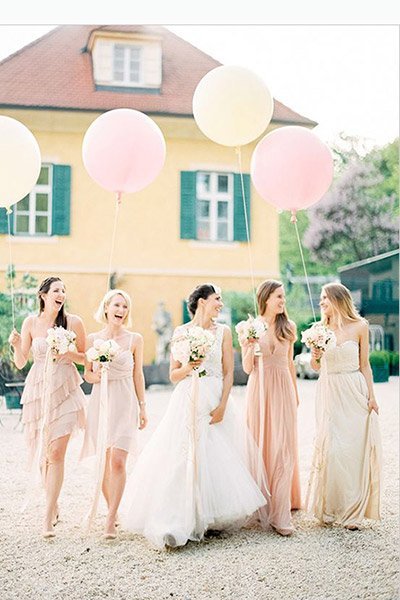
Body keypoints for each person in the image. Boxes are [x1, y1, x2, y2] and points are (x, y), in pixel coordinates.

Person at [120, 283, 267, 549]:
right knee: (181, 453)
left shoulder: (222, 332)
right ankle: (178, 516)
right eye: (217, 299)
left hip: (214, 397)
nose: (220, 304)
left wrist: (223, 404)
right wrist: (189, 366)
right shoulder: (181, 332)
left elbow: (228, 371)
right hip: (187, 397)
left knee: (214, 455)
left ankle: (207, 514)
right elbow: (173, 375)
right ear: (201, 302)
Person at [8, 276, 86, 538]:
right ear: (43, 295)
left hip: (65, 388)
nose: (61, 294)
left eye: (64, 290)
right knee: (44, 455)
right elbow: (20, 362)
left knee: (56, 453)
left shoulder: (74, 322)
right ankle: (54, 503)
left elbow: (85, 357)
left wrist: (67, 353)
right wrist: (16, 344)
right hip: (39, 389)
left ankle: (47, 518)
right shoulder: (31, 322)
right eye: (56, 290)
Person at [306, 283, 382, 529]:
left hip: (354, 389)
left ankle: (353, 512)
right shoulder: (319, 329)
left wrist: (371, 396)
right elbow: (315, 367)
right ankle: (330, 507)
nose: (321, 303)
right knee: (333, 449)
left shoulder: (361, 326)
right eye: (320, 299)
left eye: (325, 298)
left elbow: (365, 365)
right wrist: (316, 354)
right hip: (330, 391)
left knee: (353, 451)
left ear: (338, 299)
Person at [81, 289, 147, 539]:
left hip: (126, 403)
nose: (121, 310)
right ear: (107, 307)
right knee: (103, 464)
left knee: (118, 461)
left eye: (125, 307)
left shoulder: (135, 339)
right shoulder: (92, 339)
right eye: (117, 305)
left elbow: (138, 374)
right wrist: (97, 375)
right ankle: (113, 509)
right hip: (101, 403)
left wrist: (143, 406)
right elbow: (87, 373)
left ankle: (110, 519)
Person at [240, 279, 301, 536]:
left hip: (283, 388)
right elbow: (246, 368)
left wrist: (295, 394)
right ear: (265, 298)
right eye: (278, 296)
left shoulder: (289, 327)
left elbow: (290, 364)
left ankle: (281, 512)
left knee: (283, 447)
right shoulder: (250, 327)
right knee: (259, 443)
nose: (282, 301)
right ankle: (261, 504)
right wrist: (251, 345)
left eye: (283, 296)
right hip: (260, 389)